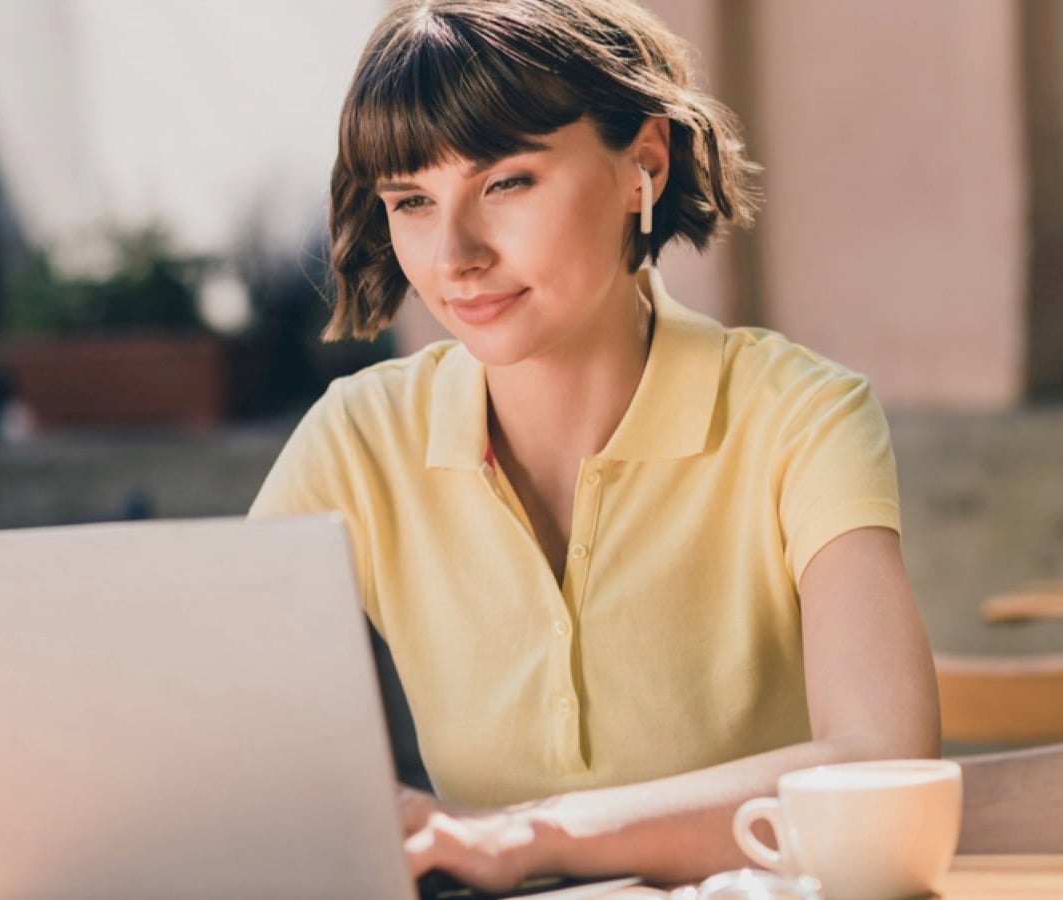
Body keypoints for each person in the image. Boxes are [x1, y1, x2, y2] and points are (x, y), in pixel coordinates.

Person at [249, 0, 939, 891]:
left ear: (643, 164)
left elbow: (881, 758)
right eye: (412, 202)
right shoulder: (358, 438)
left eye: (506, 183)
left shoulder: (799, 415)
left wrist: (525, 837)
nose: (454, 254)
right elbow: (224, 745)